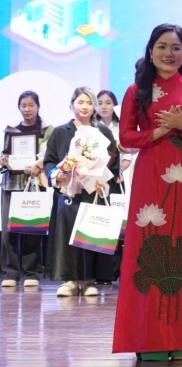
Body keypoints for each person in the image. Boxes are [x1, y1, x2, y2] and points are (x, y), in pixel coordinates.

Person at [111, 25, 182, 360]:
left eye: (176, 48)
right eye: (162, 46)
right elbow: (126, 138)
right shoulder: (136, 91)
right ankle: (151, 341)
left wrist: (181, 125)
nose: (169, 53)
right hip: (150, 176)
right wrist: (158, 131)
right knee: (149, 246)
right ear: (150, 50)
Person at [44, 87, 121, 299]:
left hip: (93, 192)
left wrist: (104, 181)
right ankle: (69, 280)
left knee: (90, 232)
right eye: (80, 102)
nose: (85, 107)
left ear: (94, 107)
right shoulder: (60, 132)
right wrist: (56, 175)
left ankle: (88, 280)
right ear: (72, 105)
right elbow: (50, 160)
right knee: (67, 234)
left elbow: (113, 163)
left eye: (89, 103)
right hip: (68, 193)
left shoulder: (103, 132)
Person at [1, 91, 53, 288]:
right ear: (19, 107)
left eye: (31, 105)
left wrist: (39, 164)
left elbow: (51, 155)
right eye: (23, 105)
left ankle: (32, 272)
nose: (27, 109)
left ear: (38, 106)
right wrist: (4, 159)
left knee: (33, 228)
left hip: (34, 184)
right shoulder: (11, 129)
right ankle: (11, 273)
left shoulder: (48, 130)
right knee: (9, 230)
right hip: (11, 184)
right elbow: (5, 153)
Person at [94, 89, 133, 284]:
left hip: (115, 181)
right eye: (100, 102)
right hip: (94, 182)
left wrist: (120, 170)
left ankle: (113, 270)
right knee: (96, 224)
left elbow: (127, 156)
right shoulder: (92, 127)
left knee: (115, 226)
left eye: (108, 102)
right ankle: (98, 271)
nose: (103, 106)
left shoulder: (121, 127)